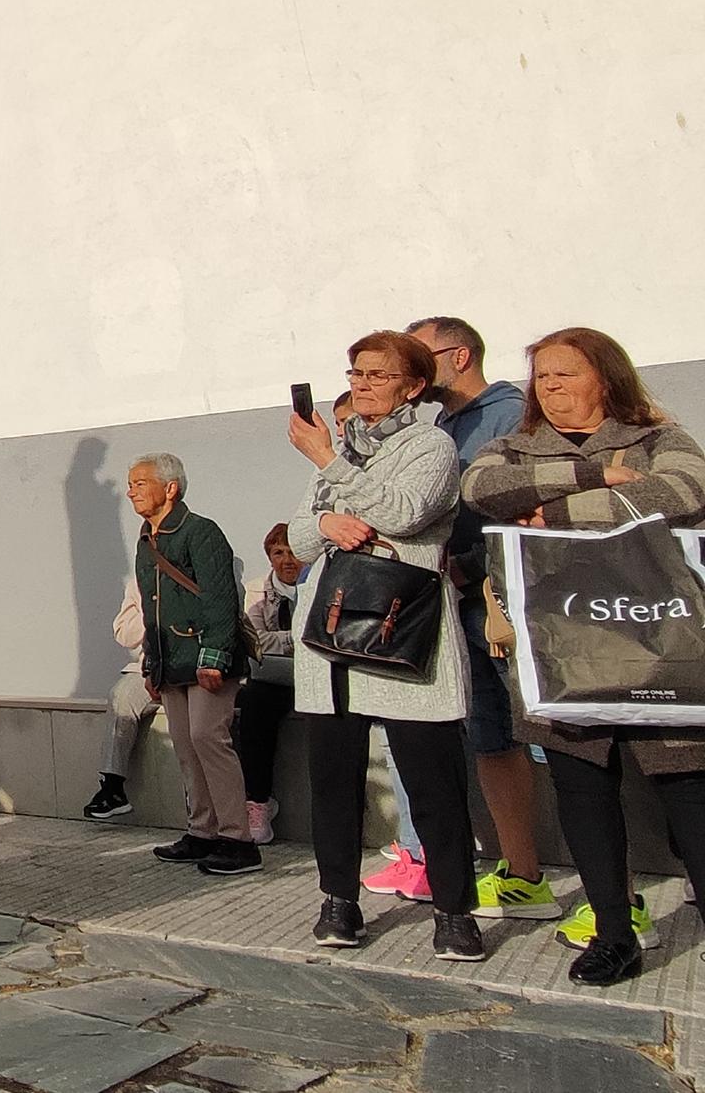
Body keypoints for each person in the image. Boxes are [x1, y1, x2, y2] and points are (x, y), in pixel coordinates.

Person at [461, 326, 705, 985]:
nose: (553, 386)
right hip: (560, 647)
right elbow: (482, 491)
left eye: (567, 373)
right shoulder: (510, 448)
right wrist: (594, 475)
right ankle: (613, 932)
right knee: (582, 788)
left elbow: (685, 492)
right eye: (544, 376)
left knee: (688, 790)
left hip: (656, 641)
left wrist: (558, 512)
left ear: (606, 376)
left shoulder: (658, 437)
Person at [287, 330, 485, 962]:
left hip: (406, 633)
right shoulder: (342, 448)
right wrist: (325, 521)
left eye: (376, 374)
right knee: (333, 782)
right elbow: (295, 537)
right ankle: (339, 899)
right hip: (332, 637)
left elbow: (403, 511)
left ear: (414, 385)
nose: (361, 384)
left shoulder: (431, 445)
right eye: (355, 372)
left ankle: (455, 909)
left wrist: (330, 467)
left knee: (434, 782)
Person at [407, 315, 558, 923]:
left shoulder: (511, 415)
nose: (411, 374)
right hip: (462, 604)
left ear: (460, 355)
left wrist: (471, 565)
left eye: (420, 358)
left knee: (564, 742)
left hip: (508, 602)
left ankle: (617, 897)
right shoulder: (444, 424)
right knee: (489, 739)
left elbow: (524, 511)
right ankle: (524, 874)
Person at [129, 454, 258, 877]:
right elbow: (152, 611)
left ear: (171, 488)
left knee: (208, 738)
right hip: (171, 661)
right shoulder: (147, 540)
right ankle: (202, 830)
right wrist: (152, 665)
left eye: (141, 483)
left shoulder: (202, 532)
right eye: (130, 484)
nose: (132, 491)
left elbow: (222, 599)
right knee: (185, 745)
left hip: (205, 657)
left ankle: (237, 838)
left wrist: (215, 656)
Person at [234, 524, 301, 845]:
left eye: (294, 552)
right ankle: (258, 802)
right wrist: (299, 638)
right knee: (253, 702)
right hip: (274, 676)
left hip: (317, 675)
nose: (287, 560)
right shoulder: (256, 591)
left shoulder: (318, 585)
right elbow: (256, 641)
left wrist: (280, 641)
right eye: (279, 553)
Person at [83, 576, 156, 822]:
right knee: (121, 696)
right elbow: (124, 634)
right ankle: (112, 789)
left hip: (191, 668)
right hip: (149, 667)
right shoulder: (139, 580)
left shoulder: (203, 567)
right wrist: (154, 608)